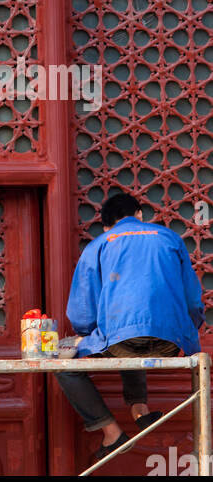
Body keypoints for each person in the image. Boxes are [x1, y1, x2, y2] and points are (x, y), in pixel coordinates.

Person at [56, 190, 205, 466]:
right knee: (126, 334)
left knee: (65, 363)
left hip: (120, 341)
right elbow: (193, 300)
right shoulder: (170, 238)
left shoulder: (99, 244)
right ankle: (139, 408)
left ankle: (111, 432)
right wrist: (187, 330)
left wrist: (86, 334)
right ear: (140, 215)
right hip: (171, 341)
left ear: (106, 226)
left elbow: (82, 314)